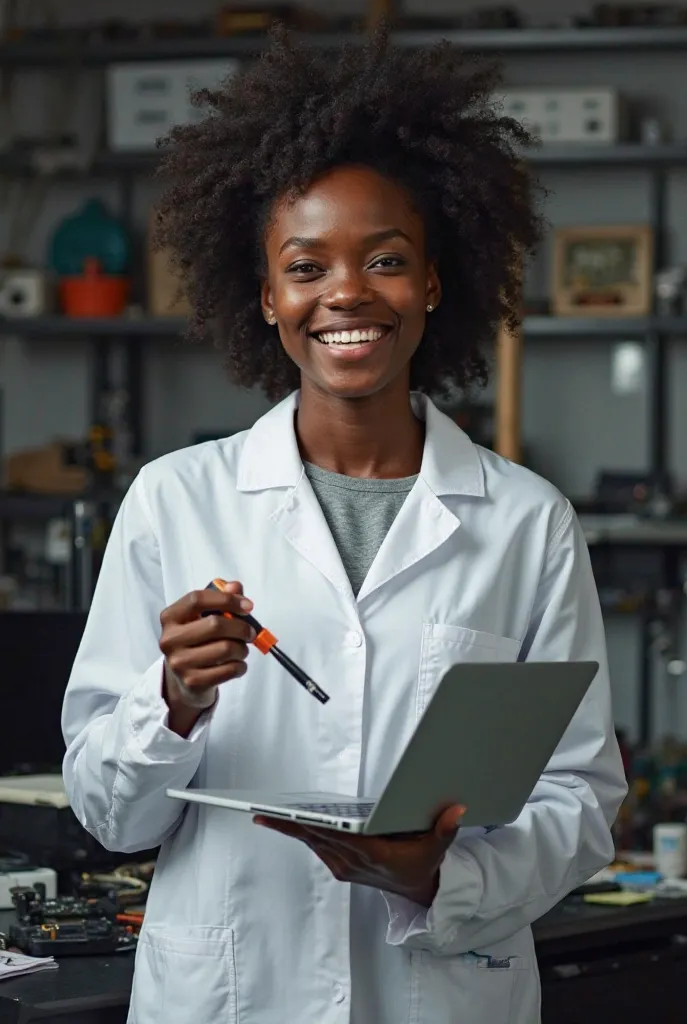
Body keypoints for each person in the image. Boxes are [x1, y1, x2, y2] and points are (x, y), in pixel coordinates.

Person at [62, 28, 627, 1024]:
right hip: (233, 995)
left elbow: (579, 805)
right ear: (268, 295)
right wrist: (175, 697)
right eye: (307, 266)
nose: (348, 294)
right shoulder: (175, 499)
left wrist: (435, 877)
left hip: (443, 991)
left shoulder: (528, 524)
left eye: (386, 259)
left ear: (435, 282)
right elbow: (110, 815)